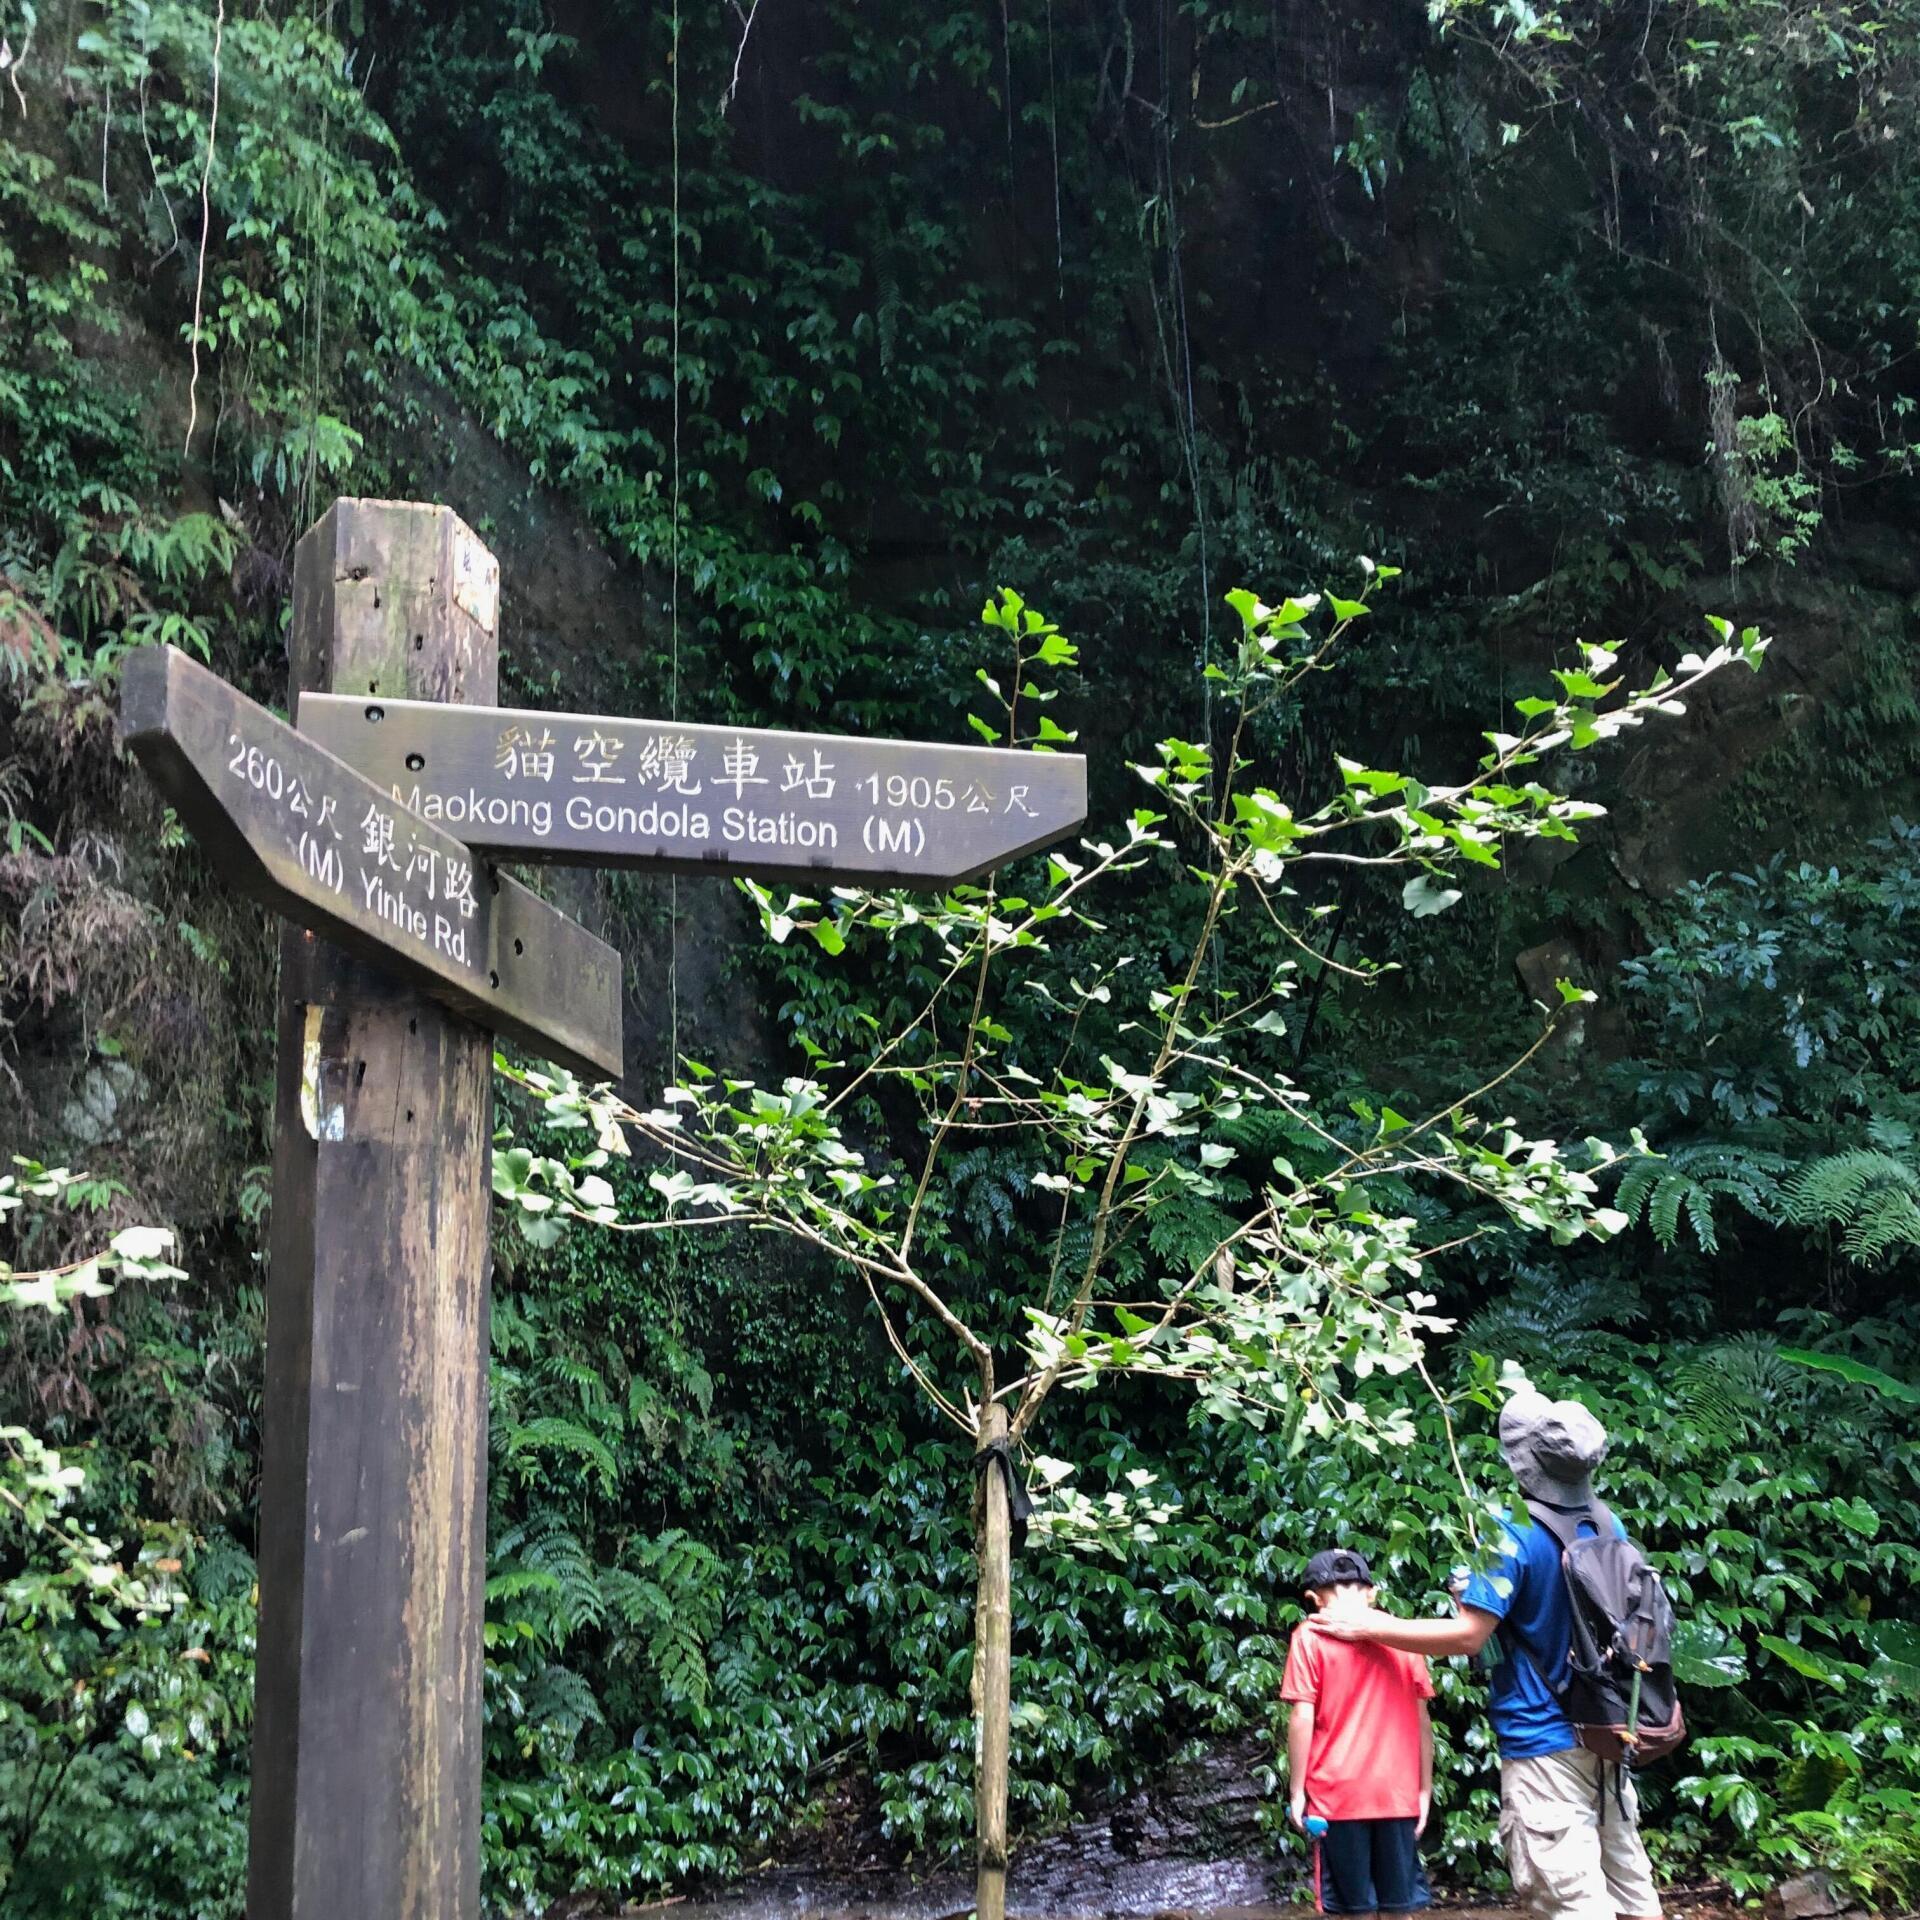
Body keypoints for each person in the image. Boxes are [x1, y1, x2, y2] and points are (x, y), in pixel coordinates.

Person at [1313, 1392, 1663, 1920]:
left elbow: (1470, 1637)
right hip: (1608, 1730)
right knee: (1631, 1886)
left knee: (1571, 1902)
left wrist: (1369, 1625)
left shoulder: (1512, 1529)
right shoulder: (1608, 1524)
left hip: (1544, 1743)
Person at [1281, 1546, 1435, 1919]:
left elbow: (1302, 1717)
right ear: (1372, 1592)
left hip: (1338, 1798)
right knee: (1400, 1909)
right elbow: (1423, 1722)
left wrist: (1297, 1791)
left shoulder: (1309, 1637)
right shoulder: (1404, 1637)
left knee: (1354, 1910)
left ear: (1314, 1599)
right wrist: (1424, 1789)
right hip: (1397, 1794)